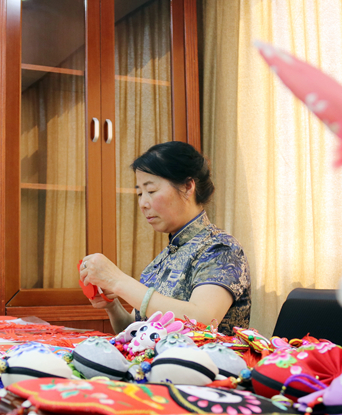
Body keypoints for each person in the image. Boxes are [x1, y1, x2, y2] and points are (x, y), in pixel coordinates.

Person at [79, 141, 251, 335]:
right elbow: (138, 333)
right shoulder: (164, 258)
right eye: (140, 193)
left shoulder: (221, 249)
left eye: (151, 191)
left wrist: (117, 281)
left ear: (187, 187)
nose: (143, 203)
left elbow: (202, 321)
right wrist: (112, 305)